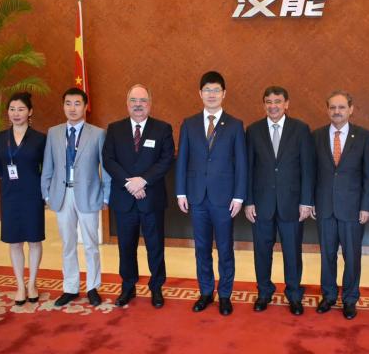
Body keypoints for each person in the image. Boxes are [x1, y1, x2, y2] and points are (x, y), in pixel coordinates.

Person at [175, 71, 247, 316]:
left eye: (216, 90)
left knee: (225, 248)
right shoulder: (189, 123)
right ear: (200, 93)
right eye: (207, 90)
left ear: (224, 94)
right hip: (196, 197)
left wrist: (239, 196)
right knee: (201, 248)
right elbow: (182, 159)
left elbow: (241, 163)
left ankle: (225, 294)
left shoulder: (236, 125)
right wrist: (180, 192)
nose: (212, 94)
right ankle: (206, 291)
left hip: (225, 199)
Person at [102, 84, 174, 309]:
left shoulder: (162, 129)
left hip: (151, 198)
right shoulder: (114, 129)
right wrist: (129, 183)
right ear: (127, 103)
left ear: (150, 103)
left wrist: (142, 181)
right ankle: (128, 286)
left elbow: (166, 159)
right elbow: (109, 160)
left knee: (155, 246)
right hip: (124, 200)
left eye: (143, 100)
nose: (138, 105)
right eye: (133, 100)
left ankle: (156, 287)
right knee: (126, 246)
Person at [245, 86, 315, 315]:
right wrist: (249, 201)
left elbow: (307, 168)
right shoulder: (253, 130)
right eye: (268, 102)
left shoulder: (301, 129)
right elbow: (248, 169)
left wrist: (306, 201)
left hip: (292, 205)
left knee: (292, 252)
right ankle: (264, 292)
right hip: (261, 204)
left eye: (277, 101)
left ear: (287, 104)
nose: (273, 106)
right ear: (264, 104)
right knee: (261, 251)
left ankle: (294, 294)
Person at [41, 87, 111, 307]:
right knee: (67, 244)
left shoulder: (98, 133)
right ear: (63, 106)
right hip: (62, 195)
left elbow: (105, 168)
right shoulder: (53, 132)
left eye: (77, 103)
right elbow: (48, 165)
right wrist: (46, 193)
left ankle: (92, 287)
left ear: (85, 107)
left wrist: (106, 196)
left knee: (91, 245)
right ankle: (70, 287)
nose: (72, 108)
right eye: (68, 103)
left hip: (88, 195)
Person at [311, 90, 369, 320]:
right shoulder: (316, 136)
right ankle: (328, 296)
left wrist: (367, 206)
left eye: (341, 107)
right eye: (332, 107)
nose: (336, 112)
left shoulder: (364, 136)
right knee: (327, 254)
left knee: (352, 256)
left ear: (351, 109)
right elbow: (312, 173)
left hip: (353, 208)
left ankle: (350, 298)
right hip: (325, 207)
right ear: (327, 110)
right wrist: (310, 202)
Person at [0, 92, 46, 305]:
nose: (16, 113)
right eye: (12, 109)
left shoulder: (40, 138)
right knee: (14, 241)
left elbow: (46, 167)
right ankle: (20, 285)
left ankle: (32, 283)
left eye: (21, 109)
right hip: (10, 195)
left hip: (32, 194)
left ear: (30, 112)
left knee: (34, 240)